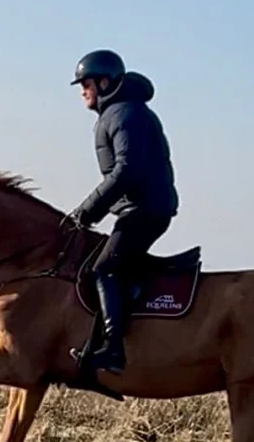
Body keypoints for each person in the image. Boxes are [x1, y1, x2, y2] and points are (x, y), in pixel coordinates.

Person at [68, 50, 179, 373]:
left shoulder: (123, 114)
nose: (82, 91)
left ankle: (113, 351)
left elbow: (126, 171)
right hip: (145, 207)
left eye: (86, 84)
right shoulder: (122, 112)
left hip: (143, 210)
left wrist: (87, 211)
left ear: (104, 82)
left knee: (104, 270)